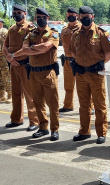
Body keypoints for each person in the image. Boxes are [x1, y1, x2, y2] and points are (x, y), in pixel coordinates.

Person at [69, 6, 110, 144]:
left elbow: (109, 54)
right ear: (79, 18)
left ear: (92, 17)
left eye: (87, 16)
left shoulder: (102, 33)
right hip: (81, 74)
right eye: (82, 17)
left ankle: (101, 133)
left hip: (96, 74)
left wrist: (96, 65)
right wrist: (81, 63)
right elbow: (72, 51)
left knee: (99, 105)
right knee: (83, 105)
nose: (84, 19)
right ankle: (84, 131)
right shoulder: (76, 33)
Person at [14, 7, 60, 141]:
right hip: (33, 73)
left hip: (48, 73)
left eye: (43, 17)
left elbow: (46, 47)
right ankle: (43, 127)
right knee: (38, 103)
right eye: (38, 17)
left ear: (47, 19)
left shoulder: (54, 33)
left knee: (53, 103)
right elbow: (23, 50)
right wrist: (36, 49)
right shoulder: (31, 34)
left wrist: (31, 49)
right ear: (35, 19)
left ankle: (54, 129)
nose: (41, 19)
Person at [3, 5, 39, 131]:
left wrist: (15, 57)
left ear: (25, 13)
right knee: (16, 93)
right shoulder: (12, 29)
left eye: (19, 12)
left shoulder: (30, 28)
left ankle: (34, 122)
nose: (16, 14)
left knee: (30, 94)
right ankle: (16, 119)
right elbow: (5, 46)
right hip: (14, 66)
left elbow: (33, 47)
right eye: (14, 12)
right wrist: (9, 57)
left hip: (25, 65)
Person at [59, 7, 81, 112]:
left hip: (79, 61)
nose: (69, 16)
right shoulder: (64, 30)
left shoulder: (82, 28)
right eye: (68, 14)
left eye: (71, 14)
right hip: (67, 61)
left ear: (76, 15)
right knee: (68, 85)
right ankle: (68, 105)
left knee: (83, 85)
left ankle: (90, 106)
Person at [0, 18, 11, 103]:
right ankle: (2, 95)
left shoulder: (3, 31)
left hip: (3, 57)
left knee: (7, 76)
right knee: (0, 77)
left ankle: (10, 95)